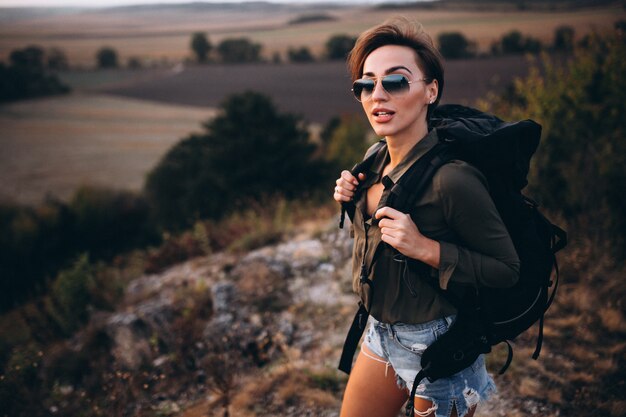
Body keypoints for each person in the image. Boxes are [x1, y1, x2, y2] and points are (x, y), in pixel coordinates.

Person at [332, 17, 520, 417]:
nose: (376, 94)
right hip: (379, 332)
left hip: (440, 345)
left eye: (396, 81)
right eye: (366, 83)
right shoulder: (372, 158)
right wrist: (350, 200)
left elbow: (507, 270)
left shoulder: (453, 180)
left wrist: (427, 249)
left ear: (430, 91)